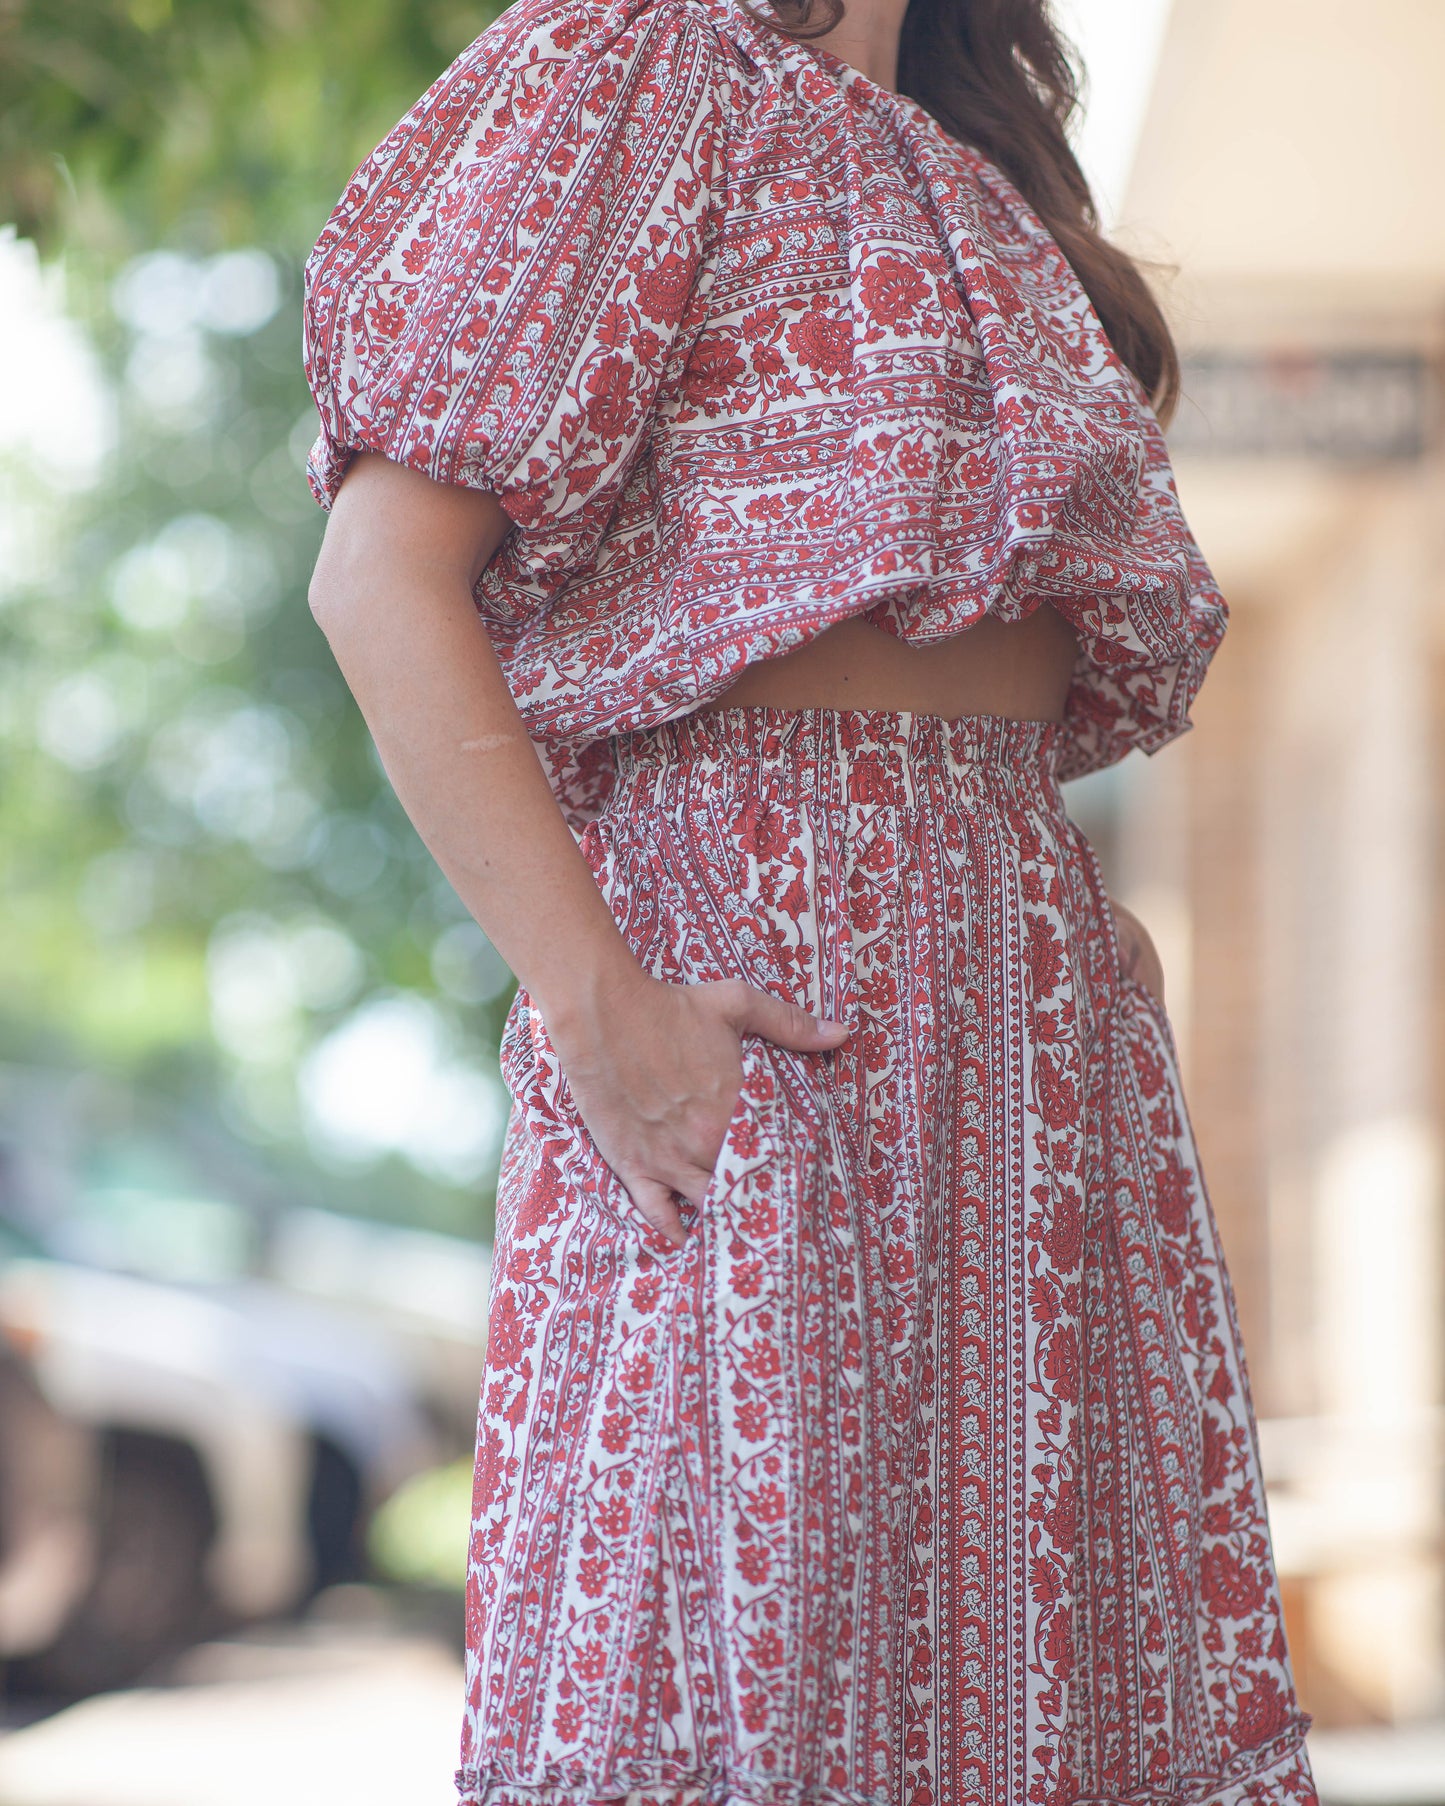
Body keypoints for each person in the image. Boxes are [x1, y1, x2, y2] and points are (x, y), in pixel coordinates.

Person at [301, 0, 1319, 1795]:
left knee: (1036, 1696)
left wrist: (1072, 940)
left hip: (1026, 1042)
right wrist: (599, 1011)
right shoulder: (638, 61)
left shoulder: (975, 158)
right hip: (752, 1004)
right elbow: (380, 579)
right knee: (737, 1678)